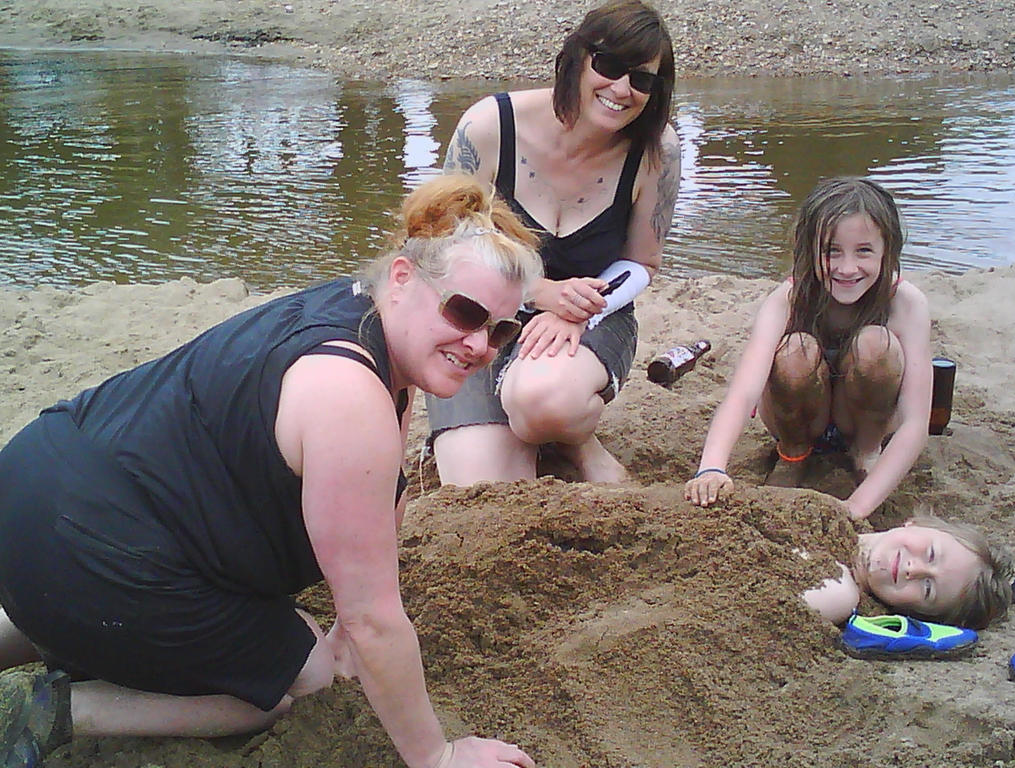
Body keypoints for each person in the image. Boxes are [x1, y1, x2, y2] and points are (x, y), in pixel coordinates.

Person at [0, 175, 542, 768]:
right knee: (291, 686)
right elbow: (373, 620)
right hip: (92, 544)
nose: (480, 344)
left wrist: (348, 625)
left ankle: (44, 622)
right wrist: (436, 754)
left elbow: (381, 494)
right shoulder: (349, 393)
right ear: (404, 278)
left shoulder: (363, 317)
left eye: (501, 330)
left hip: (37, 491)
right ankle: (57, 711)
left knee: (95, 591)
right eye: (465, 312)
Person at [427, 0, 682, 485]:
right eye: (608, 66)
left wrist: (581, 307)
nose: (622, 89)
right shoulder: (489, 127)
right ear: (576, 58)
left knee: (542, 403)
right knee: (481, 488)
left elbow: (643, 261)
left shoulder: (657, 151)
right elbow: (440, 242)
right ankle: (518, 427)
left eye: (643, 80)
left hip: (587, 320)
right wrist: (539, 293)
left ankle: (573, 437)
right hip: (476, 315)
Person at [685, 177, 932, 520]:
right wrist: (711, 467)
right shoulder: (787, 299)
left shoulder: (906, 303)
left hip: (864, 418)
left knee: (877, 345)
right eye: (831, 251)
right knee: (796, 349)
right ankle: (793, 454)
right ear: (808, 250)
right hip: (797, 414)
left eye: (863, 251)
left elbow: (916, 422)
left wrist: (855, 509)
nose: (847, 268)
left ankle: (865, 451)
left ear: (887, 251)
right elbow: (743, 392)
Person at [803, 514, 1013, 629]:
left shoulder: (838, 593)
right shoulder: (837, 512)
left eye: (927, 588)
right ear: (916, 524)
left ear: (911, 612)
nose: (915, 570)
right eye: (931, 554)